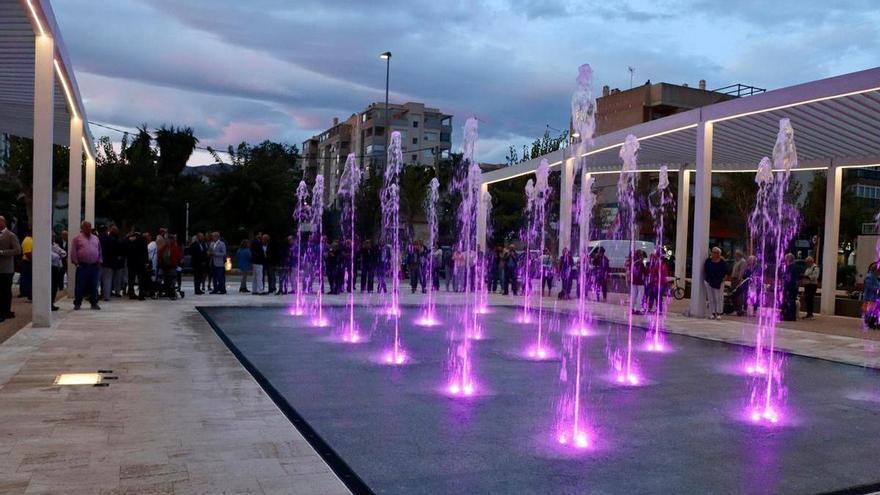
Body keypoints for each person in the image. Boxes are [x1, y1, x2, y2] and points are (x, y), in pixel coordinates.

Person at [70, 221, 102, 310]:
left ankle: (94, 303)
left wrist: (99, 261)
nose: (88, 229)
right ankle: (77, 303)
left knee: (94, 285)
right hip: (82, 266)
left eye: (90, 227)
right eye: (86, 227)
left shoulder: (96, 238)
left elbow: (99, 250)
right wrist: (76, 263)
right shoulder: (77, 239)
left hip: (94, 266)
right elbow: (73, 251)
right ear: (82, 228)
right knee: (80, 285)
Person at [0, 216, 21, 321]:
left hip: (6, 269)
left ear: (3, 222)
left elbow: (17, 250)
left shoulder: (11, 235)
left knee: (5, 291)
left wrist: (3, 252)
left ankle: (5, 312)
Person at [703, 246, 727, 320]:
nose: (713, 254)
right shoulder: (708, 261)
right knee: (710, 298)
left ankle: (719, 313)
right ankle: (712, 313)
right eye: (712, 252)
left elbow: (725, 272)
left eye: (715, 253)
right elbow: (706, 270)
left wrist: (722, 279)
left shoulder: (722, 262)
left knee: (718, 298)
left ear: (718, 254)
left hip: (719, 281)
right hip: (709, 281)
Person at [158, 234, 183, 300]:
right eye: (166, 240)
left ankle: (171, 293)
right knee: (165, 279)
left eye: (168, 240)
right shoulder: (164, 247)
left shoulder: (175, 248)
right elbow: (159, 254)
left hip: (172, 266)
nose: (167, 241)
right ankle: (166, 292)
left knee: (172, 280)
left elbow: (179, 257)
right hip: (164, 266)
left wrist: (178, 263)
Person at [780, 253, 799, 321]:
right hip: (788, 286)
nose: (785, 260)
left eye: (786, 259)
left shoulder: (793, 267)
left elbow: (791, 277)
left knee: (791, 301)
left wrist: (785, 277)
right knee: (786, 301)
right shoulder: (788, 267)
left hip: (791, 287)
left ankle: (791, 316)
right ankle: (786, 314)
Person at [50, 234, 66, 311]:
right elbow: (53, 256)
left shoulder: (55, 245)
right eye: (52, 236)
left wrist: (59, 254)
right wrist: (58, 254)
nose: (54, 238)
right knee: (51, 286)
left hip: (57, 267)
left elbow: (64, 253)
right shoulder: (45, 245)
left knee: (54, 287)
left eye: (54, 236)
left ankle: (52, 302)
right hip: (51, 267)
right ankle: (49, 303)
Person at [863, 263, 879, 329]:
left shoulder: (874, 277)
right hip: (869, 297)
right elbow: (869, 286)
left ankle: (872, 323)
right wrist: (878, 288)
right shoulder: (869, 276)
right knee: (869, 311)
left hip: (873, 297)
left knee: (872, 311)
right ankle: (869, 323)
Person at [730, 250, 746, 316]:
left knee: (738, 295)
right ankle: (735, 309)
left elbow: (741, 271)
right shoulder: (736, 261)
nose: (735, 255)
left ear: (739, 254)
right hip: (733, 279)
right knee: (733, 295)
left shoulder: (742, 261)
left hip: (737, 279)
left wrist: (739, 280)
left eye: (736, 254)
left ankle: (739, 310)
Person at [19, 229, 32, 301]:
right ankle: (25, 292)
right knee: (27, 278)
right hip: (27, 261)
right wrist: (33, 261)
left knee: (26, 278)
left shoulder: (30, 239)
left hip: (27, 261)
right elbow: (28, 253)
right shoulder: (28, 240)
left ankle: (26, 292)